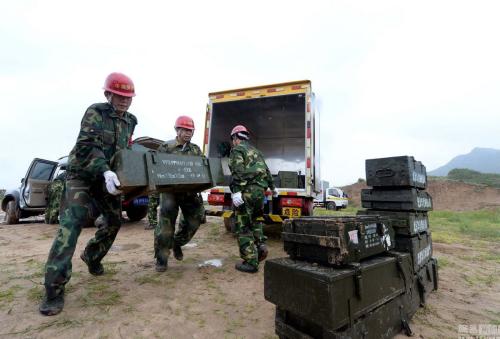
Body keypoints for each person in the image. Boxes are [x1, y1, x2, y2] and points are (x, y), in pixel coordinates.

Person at [39, 72, 138, 316]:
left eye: (129, 97)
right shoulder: (95, 112)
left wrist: (122, 175)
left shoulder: (131, 120)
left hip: (106, 179)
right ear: (108, 94)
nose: (125, 101)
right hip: (81, 175)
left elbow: (124, 151)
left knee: (114, 220)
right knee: (71, 224)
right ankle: (53, 290)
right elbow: (86, 146)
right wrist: (104, 170)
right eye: (119, 96)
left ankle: (92, 257)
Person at [154, 116, 206, 272]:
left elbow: (202, 168)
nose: (188, 133)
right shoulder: (166, 147)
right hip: (169, 192)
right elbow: (156, 168)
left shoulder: (195, 149)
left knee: (194, 221)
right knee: (165, 228)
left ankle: (177, 243)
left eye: (190, 130)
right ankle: (161, 259)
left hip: (189, 192)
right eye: (185, 130)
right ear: (177, 130)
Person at [228, 125, 277, 273]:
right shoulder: (257, 152)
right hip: (260, 193)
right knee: (256, 220)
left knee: (243, 226)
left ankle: (250, 262)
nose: (233, 142)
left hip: (246, 192)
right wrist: (273, 188)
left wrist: (236, 192)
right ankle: (261, 246)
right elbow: (267, 171)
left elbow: (238, 172)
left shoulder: (237, 150)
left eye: (233, 139)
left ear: (236, 138)